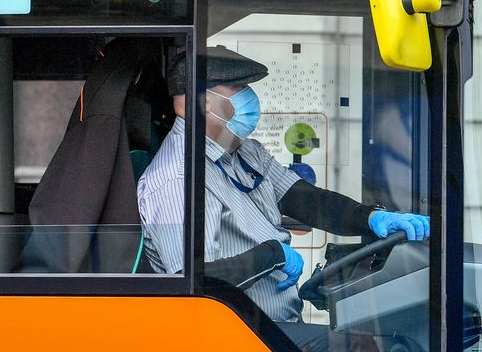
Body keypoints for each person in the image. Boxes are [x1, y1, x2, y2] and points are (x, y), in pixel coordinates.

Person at [137, 45, 430, 323]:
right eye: (238, 89)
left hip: (277, 325)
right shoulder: (176, 179)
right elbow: (195, 283)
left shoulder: (243, 151)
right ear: (201, 102)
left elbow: (305, 199)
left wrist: (370, 217)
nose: (249, 97)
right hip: (239, 336)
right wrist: (272, 256)